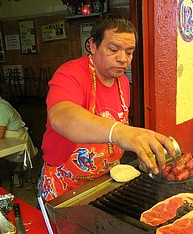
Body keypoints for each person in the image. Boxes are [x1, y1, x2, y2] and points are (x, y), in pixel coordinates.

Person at [40, 14, 176, 201]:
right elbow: (60, 115)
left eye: (129, 52)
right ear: (94, 45)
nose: (123, 59)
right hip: (66, 186)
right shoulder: (70, 74)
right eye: (113, 49)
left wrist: (142, 150)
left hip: (106, 181)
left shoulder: (122, 82)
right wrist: (119, 132)